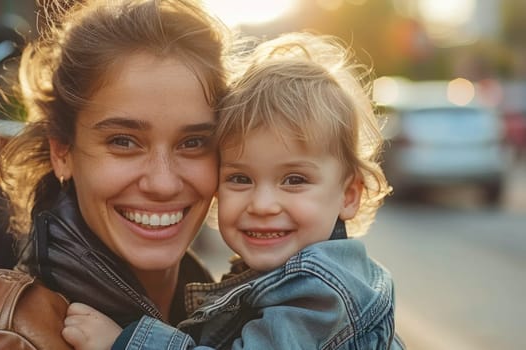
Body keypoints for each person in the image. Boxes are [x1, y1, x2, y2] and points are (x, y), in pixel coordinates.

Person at [61, 32, 406, 349]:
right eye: (241, 179)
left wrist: (123, 343)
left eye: (294, 180)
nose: (263, 204)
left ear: (349, 194)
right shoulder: (283, 275)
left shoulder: (321, 290)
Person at [0, 0, 231, 348]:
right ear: (62, 151)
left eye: (193, 142)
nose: (163, 183)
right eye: (124, 142)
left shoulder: (234, 309)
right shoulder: (6, 337)